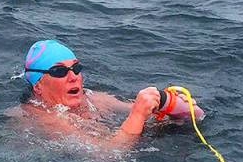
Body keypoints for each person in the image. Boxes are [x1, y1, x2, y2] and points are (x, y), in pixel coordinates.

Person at [9, 39, 161, 150]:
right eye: (60, 71)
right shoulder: (41, 117)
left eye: (76, 68)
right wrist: (138, 115)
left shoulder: (92, 98)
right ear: (38, 86)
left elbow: (141, 109)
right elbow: (108, 154)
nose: (73, 76)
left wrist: (166, 104)